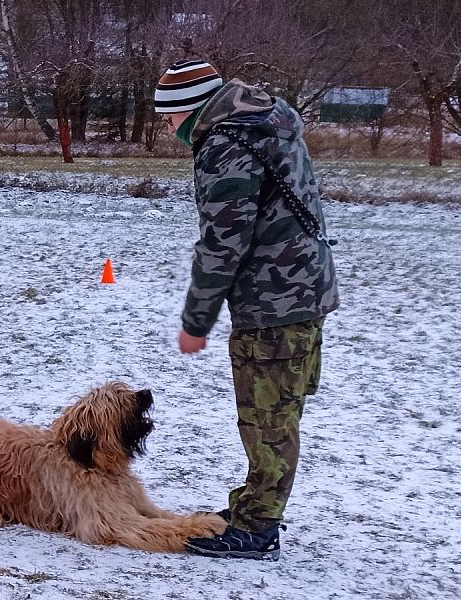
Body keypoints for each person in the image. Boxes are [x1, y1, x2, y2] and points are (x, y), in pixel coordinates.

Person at [154, 60, 339, 560]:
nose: (168, 130)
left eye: (168, 119)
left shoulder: (225, 143)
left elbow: (223, 243)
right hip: (304, 289)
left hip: (273, 301)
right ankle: (254, 508)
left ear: (189, 111)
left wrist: (196, 321)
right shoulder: (266, 120)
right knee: (279, 412)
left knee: (268, 418)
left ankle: (257, 527)